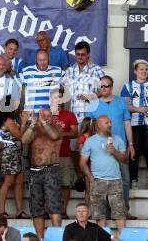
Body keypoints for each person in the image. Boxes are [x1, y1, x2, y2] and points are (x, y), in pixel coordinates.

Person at [86, 75, 135, 219]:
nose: (104, 89)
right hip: (99, 150)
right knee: (100, 181)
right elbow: (89, 127)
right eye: (101, 86)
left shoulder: (121, 102)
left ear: (112, 87)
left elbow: (127, 123)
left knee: (124, 179)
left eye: (106, 86)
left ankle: (124, 210)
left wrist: (130, 144)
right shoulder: (93, 104)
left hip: (119, 147)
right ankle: (104, 212)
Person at [80, 115, 127, 233]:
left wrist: (114, 151)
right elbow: (82, 163)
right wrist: (91, 178)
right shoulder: (90, 141)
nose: (110, 125)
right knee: (99, 214)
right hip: (98, 180)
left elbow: (125, 160)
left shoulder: (117, 139)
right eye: (107, 123)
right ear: (98, 125)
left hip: (116, 180)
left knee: (120, 213)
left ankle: (124, 238)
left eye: (110, 122)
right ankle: (101, 238)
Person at [20, 108, 63, 240]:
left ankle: (56, 237)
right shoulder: (34, 130)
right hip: (35, 172)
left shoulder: (58, 128)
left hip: (52, 170)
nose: (45, 118)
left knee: (54, 207)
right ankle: (40, 239)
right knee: (36, 208)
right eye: (42, 116)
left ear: (52, 117)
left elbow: (55, 136)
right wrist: (33, 124)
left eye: (47, 116)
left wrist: (43, 123)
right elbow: (24, 140)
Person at [120, 59, 148, 190]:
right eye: (141, 69)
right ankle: (133, 180)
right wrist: (139, 109)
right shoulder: (128, 86)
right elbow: (125, 106)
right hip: (133, 124)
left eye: (146, 70)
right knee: (134, 151)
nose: (144, 72)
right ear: (135, 71)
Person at [50, 89, 78, 219]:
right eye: (55, 97)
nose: (58, 99)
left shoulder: (69, 114)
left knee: (65, 184)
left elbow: (74, 133)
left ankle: (63, 211)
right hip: (48, 157)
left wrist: (62, 133)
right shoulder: (46, 114)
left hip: (64, 154)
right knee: (49, 185)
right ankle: (50, 211)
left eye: (60, 97)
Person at [63, 41, 105, 123]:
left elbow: (105, 90)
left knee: (90, 136)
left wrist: (91, 96)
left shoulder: (97, 70)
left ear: (88, 54)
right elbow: (62, 89)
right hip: (74, 115)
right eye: (78, 54)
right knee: (76, 136)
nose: (80, 57)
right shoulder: (69, 71)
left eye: (83, 54)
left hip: (92, 115)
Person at [0, 112, 28, 219]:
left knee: (19, 182)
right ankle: (2, 211)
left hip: (17, 154)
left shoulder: (13, 120)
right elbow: (20, 136)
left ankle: (19, 211)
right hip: (10, 154)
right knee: (8, 182)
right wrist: (24, 122)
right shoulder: (9, 121)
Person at [17, 50, 64, 114]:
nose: (42, 62)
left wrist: (61, 92)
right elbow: (13, 83)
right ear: (36, 60)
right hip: (32, 115)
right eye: (40, 60)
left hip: (51, 116)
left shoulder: (58, 71)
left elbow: (70, 84)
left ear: (49, 59)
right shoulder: (27, 71)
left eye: (44, 59)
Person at [77, 117, 96, 205]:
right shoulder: (82, 137)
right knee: (88, 189)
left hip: (95, 165)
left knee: (94, 188)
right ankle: (88, 208)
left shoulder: (95, 136)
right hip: (87, 165)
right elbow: (81, 153)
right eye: (94, 124)